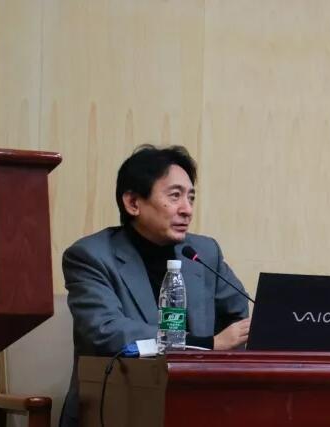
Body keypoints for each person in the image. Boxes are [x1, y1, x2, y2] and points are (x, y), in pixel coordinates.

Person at [60, 145, 250, 426]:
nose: (187, 210)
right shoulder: (90, 256)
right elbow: (107, 333)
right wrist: (207, 345)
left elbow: (238, 316)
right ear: (133, 203)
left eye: (191, 197)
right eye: (175, 196)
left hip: (196, 403)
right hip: (116, 407)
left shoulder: (202, 252)